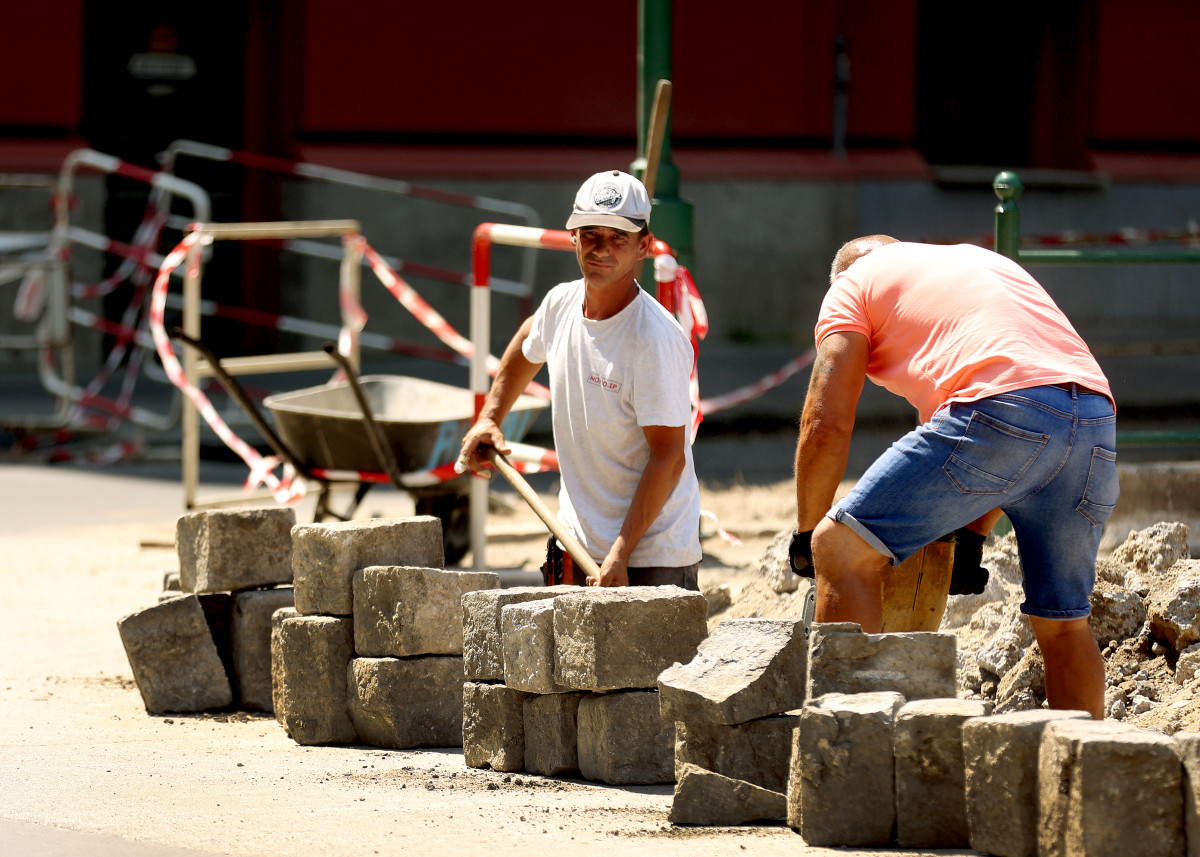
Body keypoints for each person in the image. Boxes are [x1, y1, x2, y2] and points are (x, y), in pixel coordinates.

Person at [790, 236, 1118, 718]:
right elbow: (996, 457)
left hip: (998, 404)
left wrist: (807, 534)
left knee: (838, 548)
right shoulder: (975, 264)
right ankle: (1084, 774)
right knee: (1064, 622)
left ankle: (850, 755)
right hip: (1094, 418)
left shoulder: (853, 283)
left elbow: (826, 423)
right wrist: (970, 536)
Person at [457, 170, 702, 590]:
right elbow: (526, 344)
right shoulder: (560, 304)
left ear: (644, 246)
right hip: (576, 541)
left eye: (618, 237)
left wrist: (620, 554)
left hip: (649, 555)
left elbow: (669, 457)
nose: (600, 248)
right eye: (590, 234)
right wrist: (490, 418)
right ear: (572, 237)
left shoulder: (654, 341)